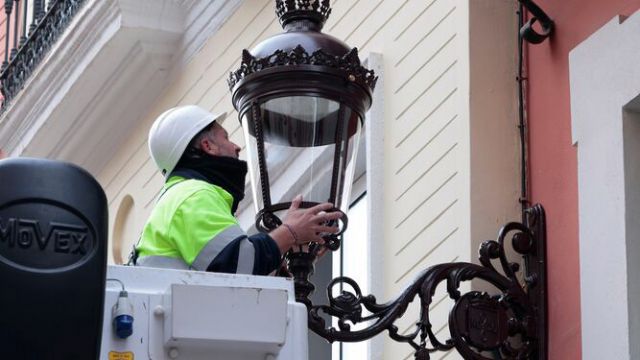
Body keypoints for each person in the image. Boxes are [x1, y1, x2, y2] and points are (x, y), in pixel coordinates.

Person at [132, 105, 341, 275]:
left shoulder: (179, 197)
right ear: (208, 146)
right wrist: (290, 233)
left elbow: (223, 283)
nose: (236, 147)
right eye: (225, 137)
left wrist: (289, 265)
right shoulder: (193, 195)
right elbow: (239, 263)